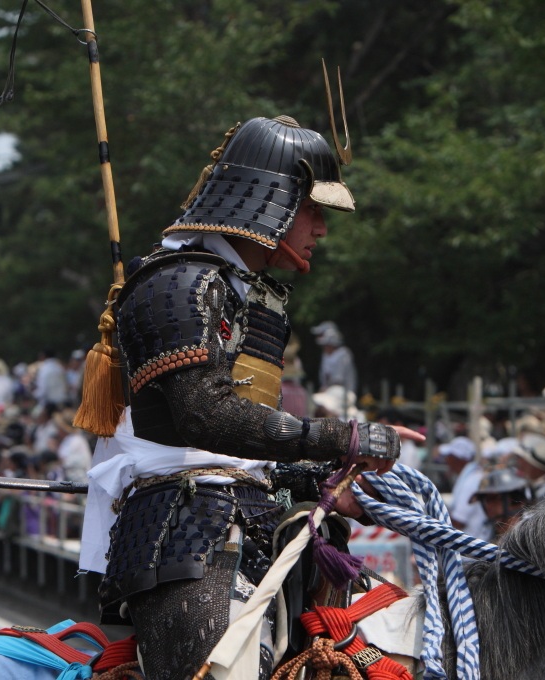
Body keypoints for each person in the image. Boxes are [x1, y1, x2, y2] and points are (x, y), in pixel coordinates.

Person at [82, 112, 422, 680]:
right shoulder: (180, 283)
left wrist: (323, 486)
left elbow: (245, 455)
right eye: (314, 211)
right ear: (272, 203)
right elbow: (205, 419)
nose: (321, 230)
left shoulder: (252, 295)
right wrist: (343, 437)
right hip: (184, 534)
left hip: (263, 520)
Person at [471, 464, 534, 541]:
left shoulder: (531, 532)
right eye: (485, 500)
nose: (488, 505)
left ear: (515, 498)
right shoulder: (487, 530)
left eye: (493, 499)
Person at [310, 320, 357, 394]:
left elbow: (338, 380)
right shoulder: (325, 355)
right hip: (329, 392)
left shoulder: (343, 354)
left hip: (344, 393)